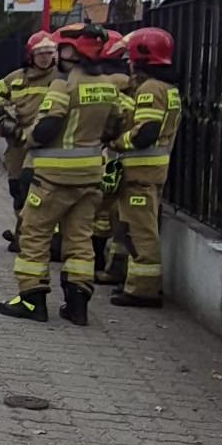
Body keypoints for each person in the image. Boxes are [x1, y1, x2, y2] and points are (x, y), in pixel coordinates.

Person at [0, 23, 118, 326]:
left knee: (34, 235)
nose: (56, 55)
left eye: (60, 49)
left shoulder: (63, 86)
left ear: (72, 52)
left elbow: (46, 129)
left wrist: (23, 135)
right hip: (90, 178)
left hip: (54, 179)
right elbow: (113, 127)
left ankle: (31, 300)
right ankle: (77, 306)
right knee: (80, 240)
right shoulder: (107, 86)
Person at [107, 27, 182, 308]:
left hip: (141, 172)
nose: (128, 63)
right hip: (152, 172)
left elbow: (146, 133)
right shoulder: (168, 88)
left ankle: (144, 290)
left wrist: (118, 142)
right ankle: (133, 281)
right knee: (135, 226)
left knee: (140, 231)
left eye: (130, 58)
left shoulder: (151, 88)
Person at [0, 31, 58, 252]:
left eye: (49, 53)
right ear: (31, 55)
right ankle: (21, 231)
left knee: (34, 190)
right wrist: (4, 107)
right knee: (17, 189)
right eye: (40, 53)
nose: (45, 57)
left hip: (43, 144)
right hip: (17, 142)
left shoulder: (60, 79)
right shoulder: (16, 78)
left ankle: (34, 236)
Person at [92, 32, 133, 284]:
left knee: (102, 210)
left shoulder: (105, 83)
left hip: (111, 158)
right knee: (117, 215)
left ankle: (100, 261)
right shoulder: (136, 84)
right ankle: (114, 265)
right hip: (130, 160)